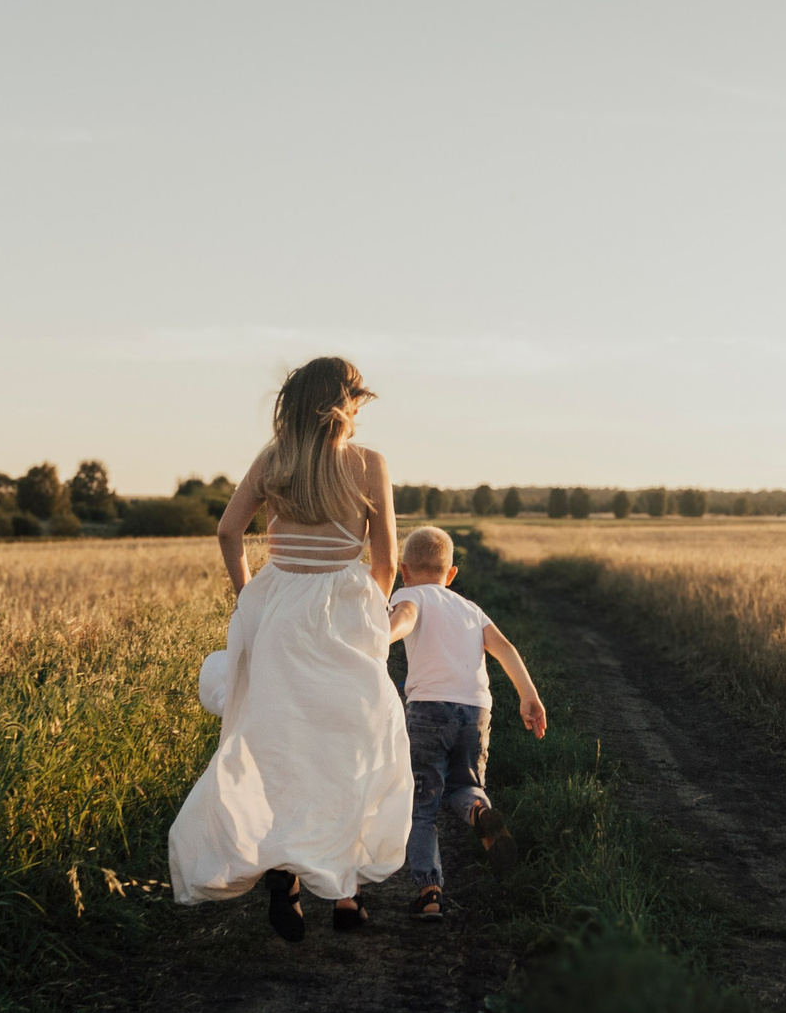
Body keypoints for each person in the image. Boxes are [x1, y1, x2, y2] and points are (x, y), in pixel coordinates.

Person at [168, 357, 413, 942]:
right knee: (350, 746)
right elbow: (385, 561)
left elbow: (229, 531)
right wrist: (368, 609)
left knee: (279, 743)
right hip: (345, 611)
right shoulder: (368, 463)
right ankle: (345, 893)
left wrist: (251, 596)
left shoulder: (274, 459)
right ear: (346, 403)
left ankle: (285, 874)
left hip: (279, 608)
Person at [385, 525, 547, 920]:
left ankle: (429, 891)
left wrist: (378, 635)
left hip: (427, 711)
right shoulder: (471, 608)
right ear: (451, 574)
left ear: (403, 570)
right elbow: (504, 649)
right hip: (476, 711)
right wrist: (529, 695)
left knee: (422, 806)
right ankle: (479, 812)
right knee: (466, 785)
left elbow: (404, 619)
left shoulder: (408, 595)